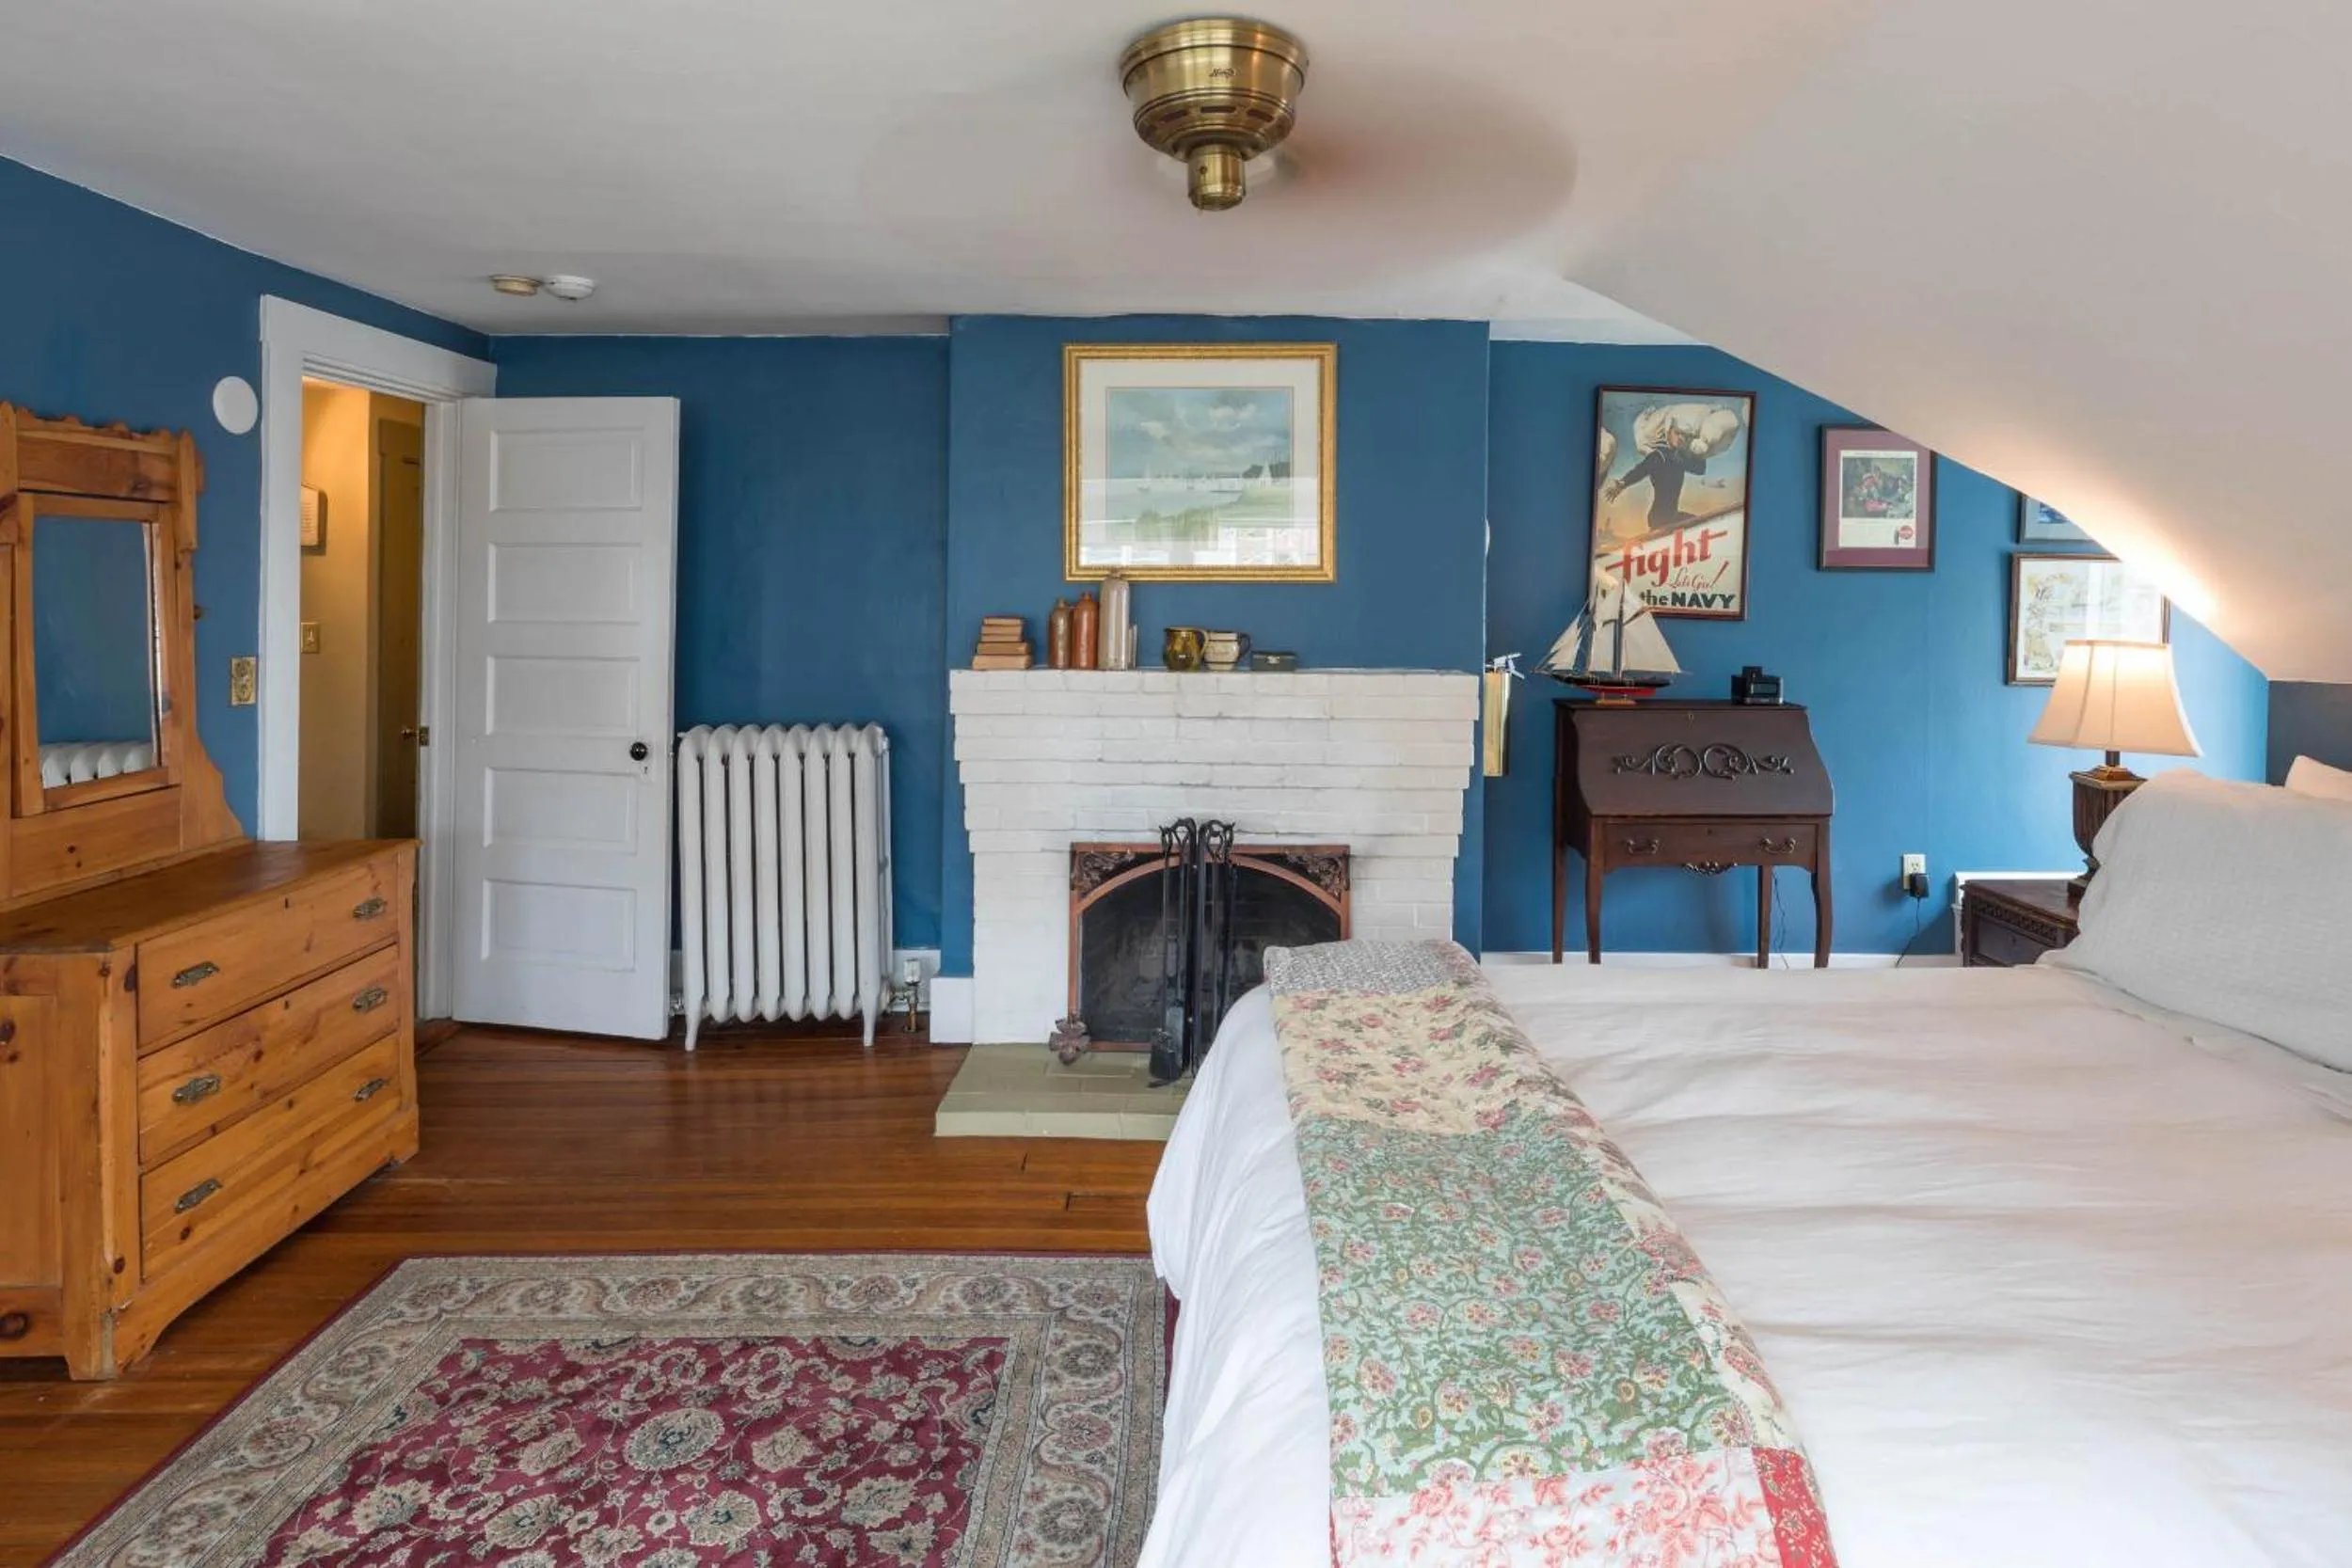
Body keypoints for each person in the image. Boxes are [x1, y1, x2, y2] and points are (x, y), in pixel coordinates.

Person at [1601, 403, 1742, 529]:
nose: (1681, 438)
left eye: (1685, 436)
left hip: (1672, 516)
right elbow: (1641, 470)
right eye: (1678, 433)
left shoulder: (1679, 458)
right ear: (1668, 431)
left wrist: (1700, 448)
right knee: (1698, 526)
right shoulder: (1659, 456)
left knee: (1703, 525)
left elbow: (1699, 469)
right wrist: (1621, 484)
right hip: (1659, 519)